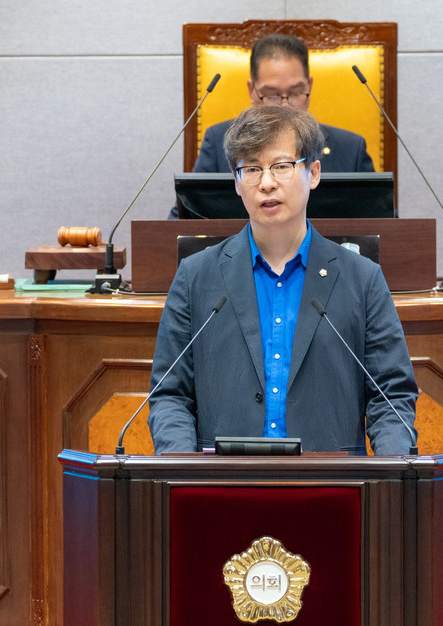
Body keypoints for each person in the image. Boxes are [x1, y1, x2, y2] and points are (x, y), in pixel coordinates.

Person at [149, 105, 417, 455]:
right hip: (223, 482)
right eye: (251, 169)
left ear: (314, 173)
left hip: (331, 482)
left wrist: (392, 472)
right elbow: (170, 396)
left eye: (281, 166)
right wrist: (184, 470)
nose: (266, 183)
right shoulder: (196, 276)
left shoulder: (362, 279)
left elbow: (391, 396)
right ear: (236, 182)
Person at [169, 32, 374, 218]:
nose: (284, 106)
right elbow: (185, 218)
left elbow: (382, 226)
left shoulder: (351, 149)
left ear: (309, 86)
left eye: (295, 93)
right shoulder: (218, 140)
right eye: (272, 95)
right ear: (252, 90)